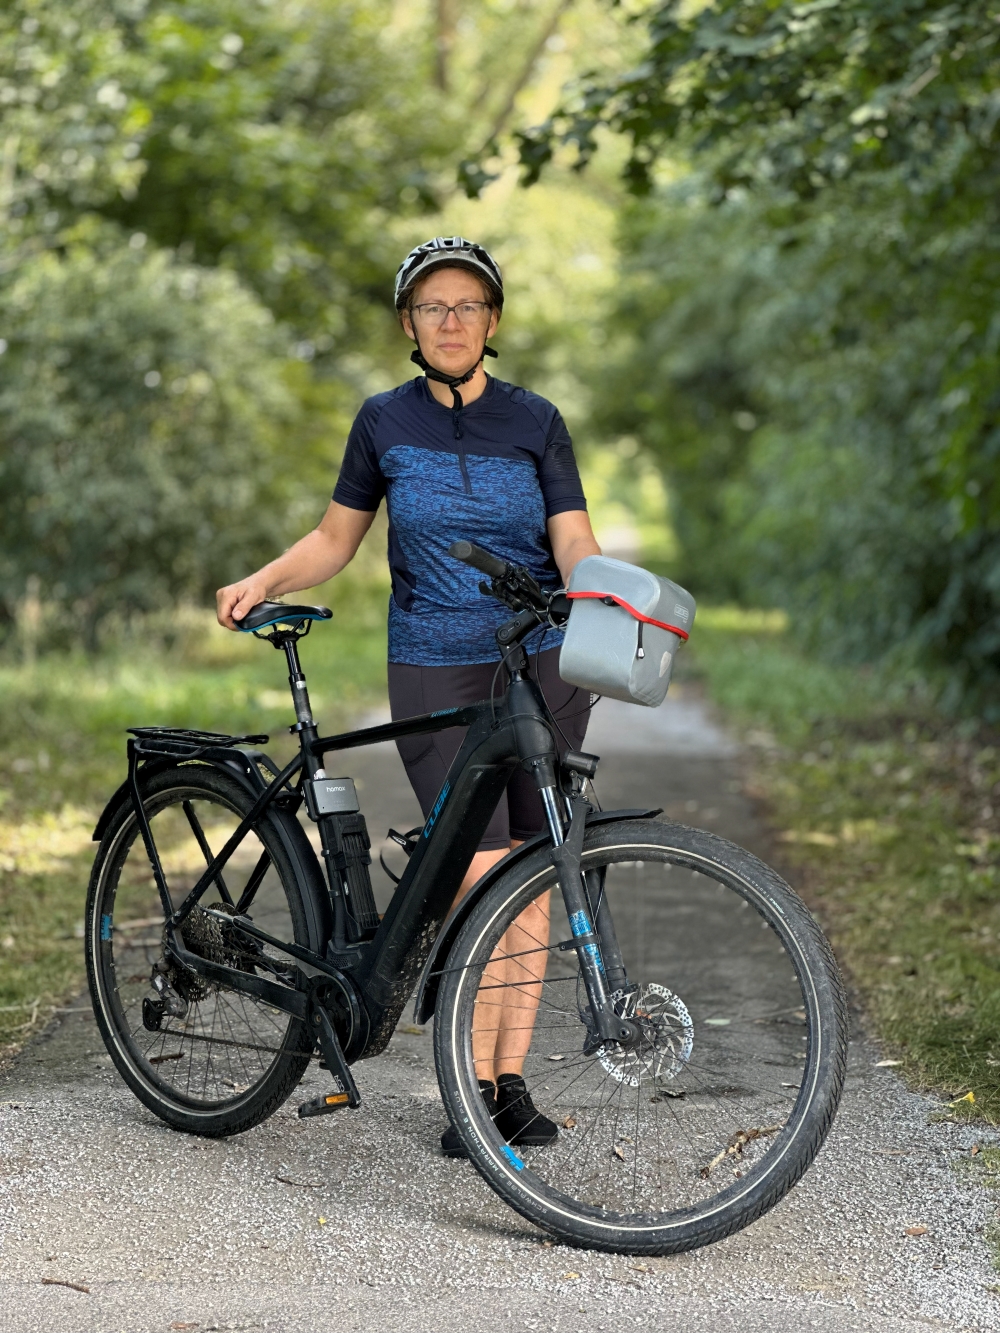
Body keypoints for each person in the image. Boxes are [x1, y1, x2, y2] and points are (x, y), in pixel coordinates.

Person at [217, 236, 601, 1156]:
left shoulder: (537, 419)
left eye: (470, 305)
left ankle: (509, 1082)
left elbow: (574, 539)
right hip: (436, 664)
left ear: (494, 321)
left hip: (539, 657)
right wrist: (262, 578)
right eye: (434, 307)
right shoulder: (383, 422)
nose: (453, 321)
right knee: (478, 867)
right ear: (409, 326)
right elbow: (335, 538)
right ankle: (468, 1090)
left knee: (539, 871)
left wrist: (605, 592)